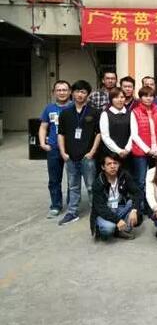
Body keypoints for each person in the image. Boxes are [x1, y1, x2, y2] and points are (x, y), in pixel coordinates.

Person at [57, 80, 101, 225]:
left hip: (87, 157)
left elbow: (99, 134)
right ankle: (72, 212)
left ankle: (97, 212)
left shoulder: (94, 112)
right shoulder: (65, 113)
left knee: (91, 186)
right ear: (72, 93)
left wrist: (92, 152)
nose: (80, 94)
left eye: (83, 92)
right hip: (70, 157)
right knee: (73, 187)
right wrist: (63, 153)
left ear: (87, 94)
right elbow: (61, 134)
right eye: (77, 91)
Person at [39, 80, 72, 218]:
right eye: (59, 90)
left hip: (71, 149)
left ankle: (72, 205)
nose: (62, 92)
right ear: (54, 92)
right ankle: (56, 205)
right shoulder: (49, 108)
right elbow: (43, 127)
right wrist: (43, 143)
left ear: (69, 92)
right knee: (54, 179)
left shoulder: (74, 106)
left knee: (72, 179)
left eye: (64, 90)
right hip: (53, 148)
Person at [90, 154, 142, 240]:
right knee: (108, 228)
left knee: (134, 211)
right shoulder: (98, 183)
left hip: (120, 207)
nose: (112, 166)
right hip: (105, 211)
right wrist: (117, 220)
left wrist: (134, 210)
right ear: (103, 167)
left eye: (115, 163)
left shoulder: (124, 176)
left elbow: (137, 193)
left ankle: (118, 229)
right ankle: (102, 228)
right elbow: (101, 208)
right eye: (109, 164)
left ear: (119, 165)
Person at [131, 86, 157, 208]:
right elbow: (134, 135)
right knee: (140, 181)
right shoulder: (135, 112)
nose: (148, 98)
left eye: (151, 96)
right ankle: (138, 208)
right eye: (145, 96)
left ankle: (151, 207)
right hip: (141, 151)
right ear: (140, 98)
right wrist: (148, 150)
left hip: (156, 151)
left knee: (154, 180)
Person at [99, 87, 132, 171]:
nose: (119, 100)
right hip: (111, 153)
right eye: (116, 97)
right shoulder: (105, 114)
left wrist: (127, 150)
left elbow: (133, 134)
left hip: (128, 153)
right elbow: (105, 136)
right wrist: (119, 151)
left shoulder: (130, 113)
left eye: (122, 97)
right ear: (111, 99)